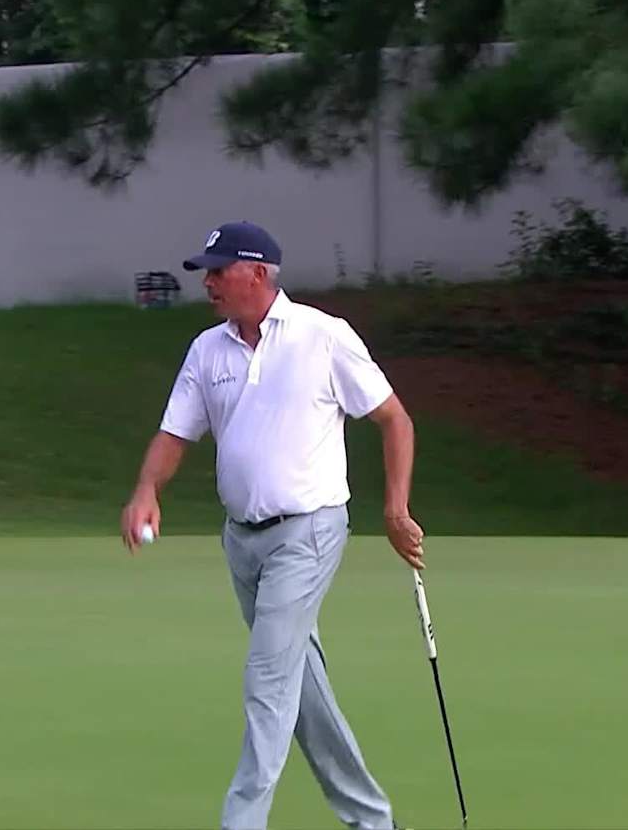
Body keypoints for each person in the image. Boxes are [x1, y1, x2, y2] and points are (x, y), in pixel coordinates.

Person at [120, 221, 425, 830]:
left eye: (218, 269)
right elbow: (176, 431)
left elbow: (395, 420)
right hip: (242, 541)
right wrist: (147, 488)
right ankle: (373, 821)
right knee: (300, 687)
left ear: (257, 273)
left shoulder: (323, 336)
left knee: (266, 681)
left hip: (308, 532)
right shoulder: (208, 350)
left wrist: (394, 510)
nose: (207, 281)